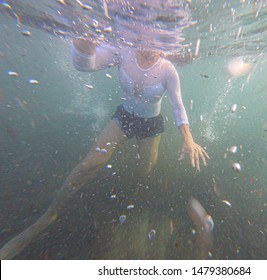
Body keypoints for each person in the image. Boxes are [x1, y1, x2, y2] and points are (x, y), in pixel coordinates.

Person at [0, 38, 209, 259]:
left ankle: (128, 202)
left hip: (151, 124)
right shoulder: (122, 51)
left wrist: (188, 139)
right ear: (138, 35)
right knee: (88, 165)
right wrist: (84, 46)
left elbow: (178, 106)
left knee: (144, 171)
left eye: (160, 43)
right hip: (125, 117)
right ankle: (49, 215)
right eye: (149, 41)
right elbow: (86, 65)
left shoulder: (168, 70)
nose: (154, 49)